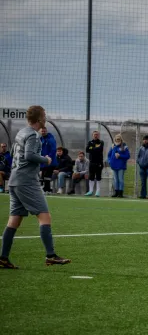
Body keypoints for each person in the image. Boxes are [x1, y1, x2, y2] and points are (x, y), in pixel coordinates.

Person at [0, 105, 71, 269]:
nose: (46, 118)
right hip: (26, 181)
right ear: (39, 119)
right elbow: (30, 155)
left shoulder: (21, 132)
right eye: (44, 115)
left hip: (15, 179)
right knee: (44, 216)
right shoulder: (33, 135)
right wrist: (45, 160)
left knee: (14, 220)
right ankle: (51, 255)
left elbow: (14, 152)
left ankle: (3, 257)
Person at [85, 130, 104, 197]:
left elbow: (100, 149)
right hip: (92, 162)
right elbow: (87, 150)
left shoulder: (101, 142)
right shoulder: (90, 142)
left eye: (97, 134)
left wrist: (92, 148)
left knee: (98, 177)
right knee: (91, 177)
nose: (96, 135)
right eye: (94, 134)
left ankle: (97, 191)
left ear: (98, 135)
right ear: (92, 135)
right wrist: (95, 148)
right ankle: (90, 191)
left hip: (99, 162)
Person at [39, 127, 57, 193]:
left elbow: (53, 149)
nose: (43, 132)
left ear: (46, 131)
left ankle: (47, 188)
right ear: (40, 132)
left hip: (50, 161)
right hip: (43, 160)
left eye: (44, 131)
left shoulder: (50, 139)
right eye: (42, 131)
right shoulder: (40, 139)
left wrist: (49, 157)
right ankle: (47, 188)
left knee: (47, 175)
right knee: (44, 175)